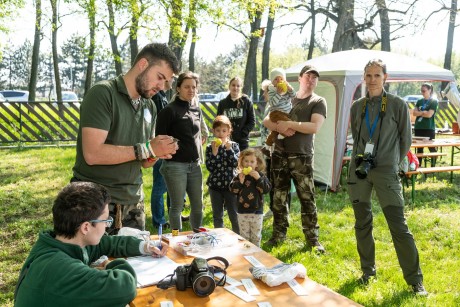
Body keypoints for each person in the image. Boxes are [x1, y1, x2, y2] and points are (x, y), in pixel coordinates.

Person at [71, 43, 180, 235]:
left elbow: (144, 162)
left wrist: (157, 152)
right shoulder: (103, 93)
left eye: (166, 82)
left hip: (133, 203)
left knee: (134, 263)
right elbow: (92, 153)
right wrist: (147, 148)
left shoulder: (150, 106)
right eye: (160, 77)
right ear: (143, 64)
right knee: (96, 264)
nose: (161, 87)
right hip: (94, 203)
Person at [14, 182, 169, 307]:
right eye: (106, 221)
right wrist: (109, 264)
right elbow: (125, 287)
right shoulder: (61, 270)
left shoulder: (59, 242)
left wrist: (144, 246)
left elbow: (105, 243)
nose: (108, 226)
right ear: (86, 227)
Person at [347, 59, 427, 295]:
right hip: (360, 170)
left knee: (398, 225)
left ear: (385, 77)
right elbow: (357, 136)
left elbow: (406, 140)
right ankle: (367, 271)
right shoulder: (357, 106)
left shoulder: (397, 104)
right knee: (362, 223)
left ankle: (415, 281)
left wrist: (391, 162)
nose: (372, 80)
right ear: (364, 77)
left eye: (377, 75)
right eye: (368, 75)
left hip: (386, 171)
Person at [262, 64, 326, 253]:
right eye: (308, 76)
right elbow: (266, 119)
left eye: (315, 77)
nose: (311, 80)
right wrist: (279, 127)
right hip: (279, 154)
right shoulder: (285, 95)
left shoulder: (318, 101)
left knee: (307, 198)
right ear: (299, 78)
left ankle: (312, 239)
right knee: (279, 197)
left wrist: (289, 124)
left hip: (302, 156)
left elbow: (314, 127)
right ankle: (278, 234)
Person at [156, 71, 205, 231]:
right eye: (186, 87)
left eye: (194, 87)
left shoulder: (196, 110)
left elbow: (196, 135)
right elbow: (159, 138)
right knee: (177, 206)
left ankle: (197, 238)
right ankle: (177, 241)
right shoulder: (169, 111)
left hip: (195, 166)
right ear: (178, 88)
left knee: (198, 206)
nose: (191, 90)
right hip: (175, 166)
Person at [205, 115, 240, 233]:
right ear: (213, 131)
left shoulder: (234, 146)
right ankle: (219, 237)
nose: (221, 133)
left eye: (224, 130)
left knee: (234, 214)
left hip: (231, 186)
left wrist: (229, 150)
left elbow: (236, 164)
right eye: (218, 130)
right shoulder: (211, 147)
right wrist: (214, 153)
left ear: (229, 131)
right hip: (215, 187)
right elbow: (210, 167)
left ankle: (238, 237)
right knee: (217, 215)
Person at [229, 148, 271, 246]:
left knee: (256, 236)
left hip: (257, 211)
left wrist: (259, 179)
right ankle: (246, 254)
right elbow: (233, 190)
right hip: (242, 211)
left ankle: (256, 254)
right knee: (244, 237)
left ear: (257, 164)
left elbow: (266, 190)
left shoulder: (260, 176)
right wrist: (240, 182)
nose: (249, 164)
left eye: (252, 162)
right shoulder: (239, 176)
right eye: (246, 161)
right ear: (242, 162)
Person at [150, 79, 173, 229]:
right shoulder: (157, 97)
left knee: (168, 185)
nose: (172, 80)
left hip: (166, 146)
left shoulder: (163, 96)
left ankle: (169, 216)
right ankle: (159, 220)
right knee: (159, 186)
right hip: (159, 147)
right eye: (171, 78)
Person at [260, 68, 296, 155]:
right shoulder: (273, 92)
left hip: (286, 114)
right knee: (291, 125)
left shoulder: (286, 89)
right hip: (277, 113)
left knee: (275, 132)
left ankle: (267, 146)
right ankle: (281, 135)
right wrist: (279, 94)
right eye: (276, 79)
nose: (279, 81)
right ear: (273, 82)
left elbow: (294, 95)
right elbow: (272, 104)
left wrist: (290, 89)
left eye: (281, 79)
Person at [217, 77, 255, 151]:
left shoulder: (246, 102)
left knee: (242, 162)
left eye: (238, 86)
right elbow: (218, 122)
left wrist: (243, 133)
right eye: (233, 85)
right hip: (226, 141)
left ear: (241, 87)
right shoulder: (223, 103)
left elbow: (252, 121)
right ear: (229, 86)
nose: (235, 88)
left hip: (242, 142)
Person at [412, 82, 438, 166]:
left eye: (424, 91)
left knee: (431, 148)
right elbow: (414, 113)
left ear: (430, 90)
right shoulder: (419, 101)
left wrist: (420, 112)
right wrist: (423, 112)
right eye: (421, 91)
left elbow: (429, 115)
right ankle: (418, 166)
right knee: (419, 149)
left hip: (429, 128)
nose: (422, 93)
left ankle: (433, 166)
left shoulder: (433, 101)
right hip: (418, 127)